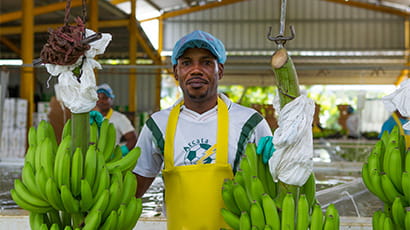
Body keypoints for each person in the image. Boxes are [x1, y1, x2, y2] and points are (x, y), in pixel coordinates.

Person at [132, 30, 274, 229]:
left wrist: (282, 158)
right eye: (187, 63)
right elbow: (133, 191)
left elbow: (275, 188)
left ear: (220, 70)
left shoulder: (250, 122)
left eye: (206, 62)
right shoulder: (157, 125)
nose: (196, 70)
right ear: (176, 72)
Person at [95, 83, 137, 155]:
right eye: (98, 98)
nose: (101, 101)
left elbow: (133, 139)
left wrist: (119, 153)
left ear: (111, 99)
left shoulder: (119, 118)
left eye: (105, 98)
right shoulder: (91, 117)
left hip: (111, 158)